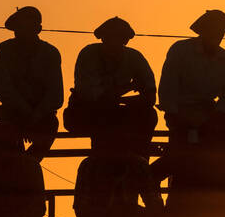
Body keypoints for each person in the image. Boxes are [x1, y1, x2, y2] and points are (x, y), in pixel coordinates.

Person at [65, 16, 158, 155]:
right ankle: (102, 161)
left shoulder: (134, 57)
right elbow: (92, 96)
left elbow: (150, 96)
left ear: (126, 40)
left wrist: (119, 99)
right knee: (105, 117)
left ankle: (140, 162)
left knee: (149, 115)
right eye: (110, 37)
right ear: (102, 38)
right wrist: (127, 89)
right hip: (84, 113)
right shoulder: (88, 54)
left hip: (115, 113)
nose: (114, 42)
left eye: (120, 38)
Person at [158, 9, 225, 149]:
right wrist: (176, 113)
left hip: (211, 113)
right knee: (181, 151)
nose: (217, 36)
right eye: (213, 32)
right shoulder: (180, 50)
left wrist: (217, 114)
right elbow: (167, 88)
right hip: (180, 111)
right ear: (203, 32)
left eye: (220, 33)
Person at [0, 6, 63, 160]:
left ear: (38, 29)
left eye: (27, 27)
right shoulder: (4, 50)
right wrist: (26, 111)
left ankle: (28, 165)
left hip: (43, 116)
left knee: (49, 127)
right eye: (19, 28)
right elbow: (1, 88)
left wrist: (36, 114)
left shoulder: (50, 53)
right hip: (11, 112)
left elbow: (56, 95)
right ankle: (15, 165)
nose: (22, 32)